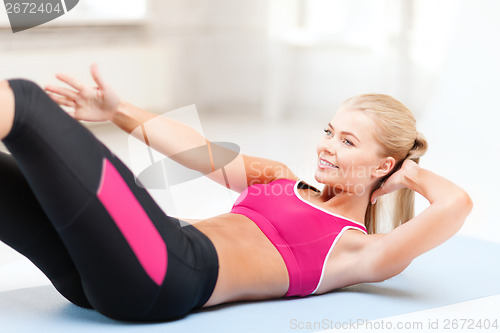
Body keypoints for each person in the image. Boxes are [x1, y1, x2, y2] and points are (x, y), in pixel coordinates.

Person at [0, 64, 473, 322]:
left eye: (348, 142)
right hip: (101, 276)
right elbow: (200, 152)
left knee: (26, 102)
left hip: (165, 275)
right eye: (329, 131)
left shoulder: (356, 250)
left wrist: (408, 174)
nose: (327, 147)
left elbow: (457, 204)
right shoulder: (279, 177)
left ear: (384, 164)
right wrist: (116, 109)